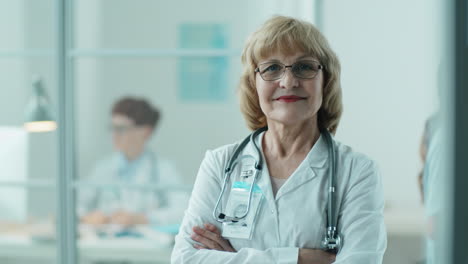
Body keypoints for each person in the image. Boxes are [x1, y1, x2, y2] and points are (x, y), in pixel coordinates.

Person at [171, 16, 386, 264]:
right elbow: (185, 259)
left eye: (304, 67)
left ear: (325, 81)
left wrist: (233, 258)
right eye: (272, 68)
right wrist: (298, 258)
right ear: (254, 84)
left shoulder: (357, 171)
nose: (288, 81)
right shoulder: (220, 163)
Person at [79, 97, 183, 227]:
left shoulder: (164, 170)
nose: (114, 135)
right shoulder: (103, 168)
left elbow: (182, 211)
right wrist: (88, 217)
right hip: (105, 243)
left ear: (146, 131)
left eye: (121, 129)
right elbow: (78, 206)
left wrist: (144, 218)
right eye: (112, 128)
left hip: (146, 245)